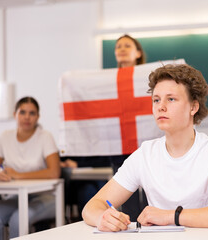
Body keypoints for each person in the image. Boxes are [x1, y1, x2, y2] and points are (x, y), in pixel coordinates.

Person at [82, 64, 208, 230]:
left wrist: (171, 216)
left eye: (171, 99)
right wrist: (102, 218)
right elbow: (93, 206)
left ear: (193, 107)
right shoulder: (145, 155)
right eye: (156, 100)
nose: (160, 106)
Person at [60, 34, 148, 221]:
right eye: (118, 47)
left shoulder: (149, 78)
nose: (122, 49)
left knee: (152, 196)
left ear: (138, 52)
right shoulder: (106, 82)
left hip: (147, 146)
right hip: (119, 148)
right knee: (128, 201)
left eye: (127, 45)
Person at [0, 97, 61, 239]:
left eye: (32, 113)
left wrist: (17, 175)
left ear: (38, 117)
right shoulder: (5, 137)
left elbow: (54, 172)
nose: (27, 117)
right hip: (16, 196)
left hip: (46, 196)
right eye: (22, 112)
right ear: (15, 114)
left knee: (17, 220)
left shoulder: (45, 136)